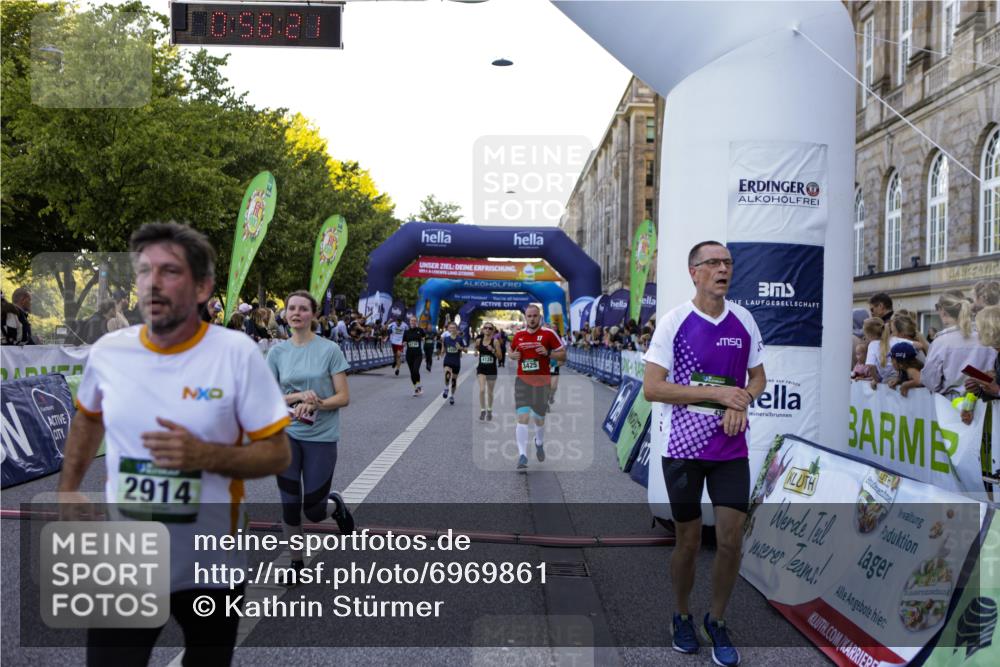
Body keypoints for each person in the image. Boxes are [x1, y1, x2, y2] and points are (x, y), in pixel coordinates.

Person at [57, 222, 291, 666]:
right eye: (144, 271)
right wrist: (68, 487)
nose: (152, 283)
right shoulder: (109, 352)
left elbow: (279, 453)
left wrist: (207, 456)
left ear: (202, 287)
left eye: (169, 271)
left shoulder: (236, 353)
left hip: (212, 566)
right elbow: (88, 418)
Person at [641, 240, 766, 667]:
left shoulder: (744, 319)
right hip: (683, 449)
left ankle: (717, 620)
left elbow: (758, 378)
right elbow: (652, 387)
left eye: (727, 262)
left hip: (730, 447)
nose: (723, 269)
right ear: (694, 272)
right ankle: (681, 615)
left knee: (731, 540)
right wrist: (718, 395)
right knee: (689, 540)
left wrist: (743, 399)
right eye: (713, 262)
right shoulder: (674, 321)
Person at [266, 290, 352, 573]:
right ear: (285, 313)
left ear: (314, 314)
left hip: (321, 438)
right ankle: (296, 563)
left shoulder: (330, 349)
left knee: (314, 511)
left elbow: (343, 397)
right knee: (290, 504)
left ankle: (335, 506)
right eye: (292, 308)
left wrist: (318, 403)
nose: (296, 313)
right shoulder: (277, 352)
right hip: (286, 436)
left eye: (303, 309)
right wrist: (297, 397)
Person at [509, 304, 566, 470]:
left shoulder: (549, 334)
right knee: (523, 418)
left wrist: (548, 353)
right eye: (529, 316)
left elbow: (563, 355)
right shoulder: (518, 335)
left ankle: (539, 442)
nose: (532, 319)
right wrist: (512, 355)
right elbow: (511, 352)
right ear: (525, 317)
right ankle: (522, 455)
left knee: (539, 419)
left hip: (542, 383)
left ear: (539, 317)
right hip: (522, 381)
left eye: (535, 316)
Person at [922, 293, 997, 412]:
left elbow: (931, 382)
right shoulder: (985, 337)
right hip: (988, 403)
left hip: (952, 404)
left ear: (943, 311)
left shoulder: (940, 342)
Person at [475, 322, 502, 420]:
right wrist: (475, 351)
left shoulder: (495, 342)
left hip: (491, 369)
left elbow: (500, 357)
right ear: (483, 329)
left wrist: (493, 350)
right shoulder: (479, 340)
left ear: (493, 331)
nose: (487, 330)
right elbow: (476, 347)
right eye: (486, 328)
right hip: (481, 369)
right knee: (482, 390)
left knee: (490, 392)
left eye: (490, 328)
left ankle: (489, 410)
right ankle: (483, 410)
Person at [438, 322, 466, 405]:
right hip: (448, 360)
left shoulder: (460, 339)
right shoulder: (446, 339)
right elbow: (444, 349)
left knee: (453, 380)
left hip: (456, 361)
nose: (452, 329)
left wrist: (460, 348)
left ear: (456, 329)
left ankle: (452, 395)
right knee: (447, 374)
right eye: (451, 328)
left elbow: (466, 350)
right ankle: (446, 388)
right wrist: (441, 353)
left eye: (454, 328)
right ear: (448, 329)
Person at [402, 315, 427, 396]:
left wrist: (424, 339)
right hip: (409, 355)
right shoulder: (406, 332)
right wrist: (404, 343)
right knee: (412, 372)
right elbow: (404, 341)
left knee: (416, 370)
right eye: (411, 321)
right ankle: (416, 388)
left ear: (416, 322)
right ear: (409, 322)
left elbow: (424, 337)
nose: (413, 322)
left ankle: (418, 386)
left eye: (414, 321)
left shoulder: (420, 330)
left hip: (418, 354)